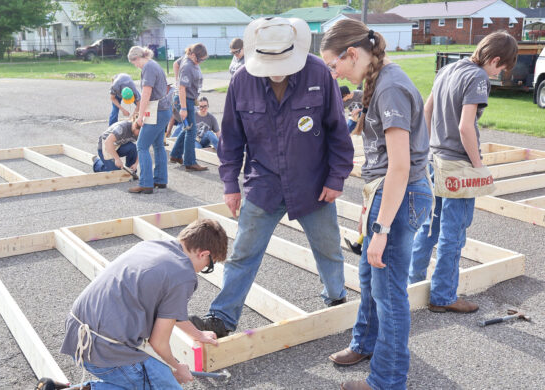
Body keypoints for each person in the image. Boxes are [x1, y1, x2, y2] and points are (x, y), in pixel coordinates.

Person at [189, 17, 354, 339]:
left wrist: (336, 178)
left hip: (314, 183)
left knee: (328, 249)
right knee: (243, 254)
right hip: (263, 182)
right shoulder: (242, 81)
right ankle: (221, 318)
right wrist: (229, 185)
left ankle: (336, 301)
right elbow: (232, 140)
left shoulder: (318, 73)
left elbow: (338, 130)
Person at [321, 18, 433, 390]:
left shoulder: (391, 88)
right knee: (370, 279)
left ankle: (387, 380)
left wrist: (382, 228)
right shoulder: (377, 81)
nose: (334, 73)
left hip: (400, 196)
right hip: (384, 193)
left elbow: (401, 166)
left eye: (335, 64)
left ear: (352, 53)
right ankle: (366, 344)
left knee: (389, 294)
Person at [409, 32, 518, 313]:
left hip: (435, 160)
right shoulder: (478, 78)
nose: (498, 74)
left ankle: (413, 283)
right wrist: (478, 165)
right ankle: (443, 296)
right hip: (458, 165)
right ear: (494, 59)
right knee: (453, 233)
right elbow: (465, 127)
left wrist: (430, 147)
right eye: (501, 68)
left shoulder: (447, 69)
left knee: (429, 227)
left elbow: (426, 111)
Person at [59, 219, 228, 390]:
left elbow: (170, 311)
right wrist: (175, 368)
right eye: (209, 265)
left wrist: (198, 334)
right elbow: (158, 343)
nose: (203, 270)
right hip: (103, 349)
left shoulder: (152, 246)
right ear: (203, 254)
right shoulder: (183, 275)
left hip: (75, 335)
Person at [127, 46, 172, 194]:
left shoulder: (148, 67)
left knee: (142, 146)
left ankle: (146, 183)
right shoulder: (154, 65)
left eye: (134, 63)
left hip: (156, 111)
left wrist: (140, 116)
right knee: (158, 145)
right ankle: (160, 179)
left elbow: (146, 92)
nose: (136, 65)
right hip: (164, 110)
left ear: (138, 58)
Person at [169, 43, 209, 171]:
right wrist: (184, 108)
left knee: (187, 128)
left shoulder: (187, 59)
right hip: (185, 100)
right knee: (191, 131)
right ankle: (190, 162)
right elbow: (182, 88)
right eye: (200, 59)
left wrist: (177, 79)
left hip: (190, 98)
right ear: (192, 55)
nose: (201, 62)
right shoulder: (187, 66)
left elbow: (175, 63)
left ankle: (175, 155)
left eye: (203, 59)